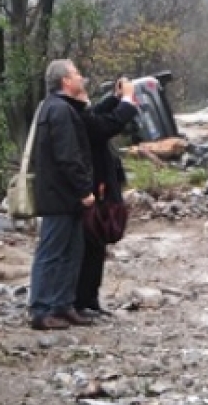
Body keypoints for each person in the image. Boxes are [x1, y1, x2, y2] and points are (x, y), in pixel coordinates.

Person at [28, 59, 98, 330]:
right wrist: (84, 190)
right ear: (65, 81)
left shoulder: (56, 107)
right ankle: (41, 308)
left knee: (72, 251)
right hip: (60, 195)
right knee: (52, 251)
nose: (81, 78)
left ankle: (62, 304)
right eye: (77, 74)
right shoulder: (60, 111)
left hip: (61, 194)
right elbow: (68, 156)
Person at [75, 76, 140, 317]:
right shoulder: (74, 115)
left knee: (96, 246)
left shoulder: (79, 113)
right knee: (90, 244)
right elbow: (104, 126)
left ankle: (89, 298)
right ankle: (80, 300)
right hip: (92, 189)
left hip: (100, 187)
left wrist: (114, 98)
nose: (83, 82)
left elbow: (98, 115)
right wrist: (126, 102)